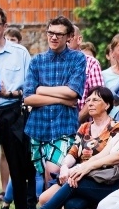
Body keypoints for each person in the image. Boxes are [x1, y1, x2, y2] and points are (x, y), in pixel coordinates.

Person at [13, 87, 119, 209]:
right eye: (88, 100)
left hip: (102, 180)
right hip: (78, 176)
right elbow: (73, 152)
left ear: (107, 105)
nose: (89, 103)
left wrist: (80, 170)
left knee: (69, 196)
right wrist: (65, 167)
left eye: (95, 100)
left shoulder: (117, 127)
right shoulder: (84, 127)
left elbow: (108, 156)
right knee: (44, 197)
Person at [0, 7, 36, 209]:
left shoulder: (19, 53)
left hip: (13, 112)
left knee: (18, 166)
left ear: (5, 26)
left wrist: (9, 92)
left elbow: (30, 88)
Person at [23, 16, 86, 185]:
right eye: (50, 33)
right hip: (38, 126)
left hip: (64, 125)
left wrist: (41, 90)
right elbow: (28, 97)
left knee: (54, 172)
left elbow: (73, 92)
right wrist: (63, 100)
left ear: (69, 37)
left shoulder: (78, 59)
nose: (53, 37)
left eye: (59, 34)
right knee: (46, 177)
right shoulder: (37, 61)